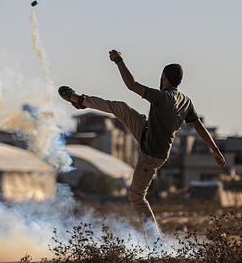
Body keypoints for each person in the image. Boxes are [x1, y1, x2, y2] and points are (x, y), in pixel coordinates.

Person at [58, 49, 226, 241]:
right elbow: (199, 126)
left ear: (164, 77)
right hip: (148, 133)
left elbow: (131, 85)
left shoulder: (162, 97)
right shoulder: (185, 102)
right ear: (178, 81)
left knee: (137, 197)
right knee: (120, 107)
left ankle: (155, 240)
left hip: (151, 154)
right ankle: (79, 100)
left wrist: (119, 61)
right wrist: (216, 150)